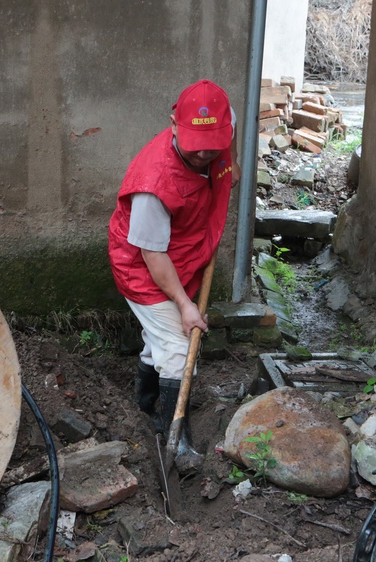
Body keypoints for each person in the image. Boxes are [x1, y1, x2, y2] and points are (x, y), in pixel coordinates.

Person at [108, 79, 240, 470]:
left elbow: (220, 151)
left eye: (214, 143)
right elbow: (152, 254)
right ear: (174, 123)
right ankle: (175, 440)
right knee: (182, 348)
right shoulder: (154, 183)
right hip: (145, 268)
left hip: (181, 253)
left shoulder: (217, 134)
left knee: (161, 342)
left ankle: (145, 405)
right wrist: (184, 305)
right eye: (196, 143)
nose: (205, 152)